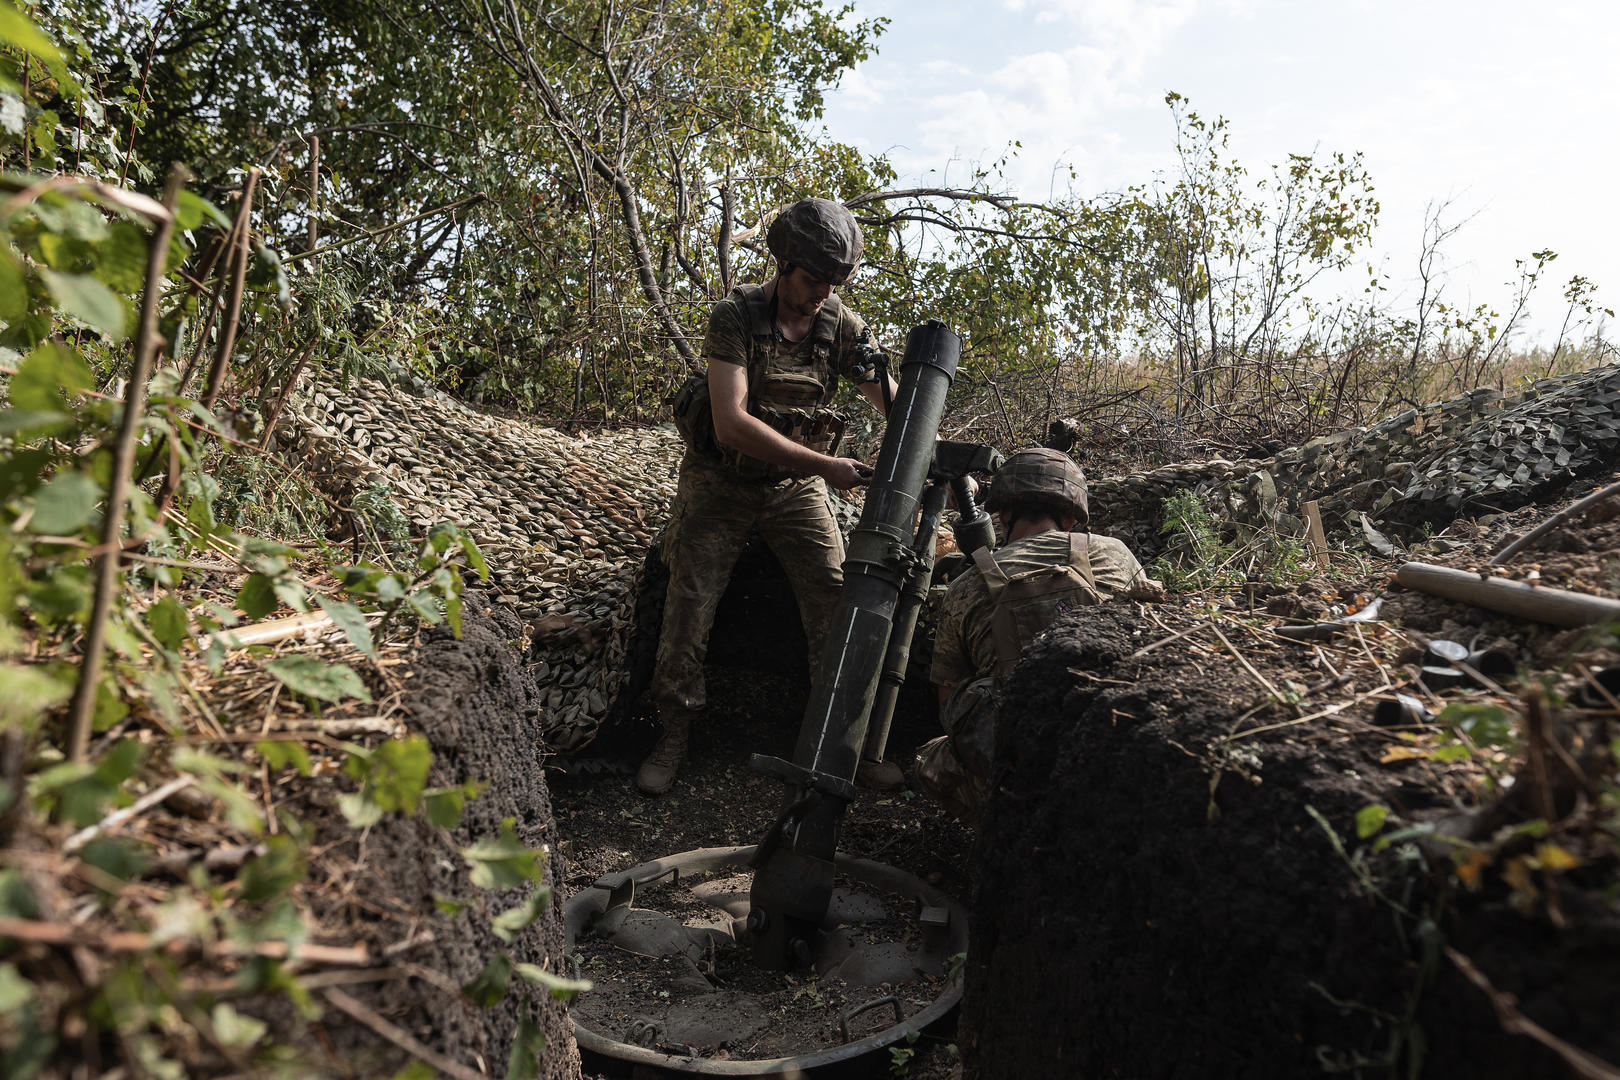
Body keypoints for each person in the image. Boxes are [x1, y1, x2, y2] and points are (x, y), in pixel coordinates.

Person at [639, 197, 899, 795]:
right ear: (782, 263)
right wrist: (826, 466)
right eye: (812, 279)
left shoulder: (840, 326)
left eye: (834, 282)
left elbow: (891, 400)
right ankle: (673, 731)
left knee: (837, 595)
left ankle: (840, 740)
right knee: (689, 600)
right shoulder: (733, 317)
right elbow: (730, 423)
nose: (821, 293)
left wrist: (920, 439)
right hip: (720, 482)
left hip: (793, 490)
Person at [918, 447, 1164, 822]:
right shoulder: (1114, 554)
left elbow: (950, 704)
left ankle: (1004, 832)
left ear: (1001, 514)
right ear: (1070, 516)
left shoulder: (965, 586)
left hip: (1023, 776)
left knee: (930, 759)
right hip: (1119, 752)